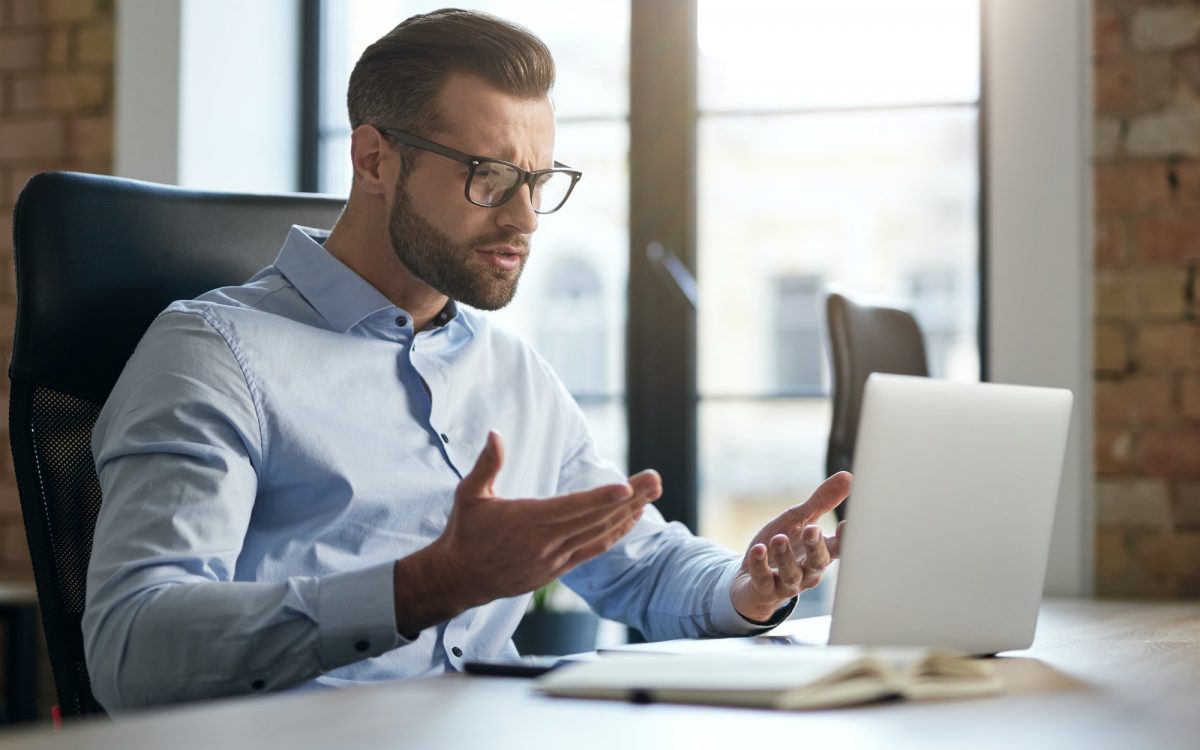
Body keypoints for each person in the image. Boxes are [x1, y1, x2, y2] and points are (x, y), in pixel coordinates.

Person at [83, 8, 849, 712]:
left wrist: (746, 584)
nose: (524, 219)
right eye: (488, 176)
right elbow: (132, 650)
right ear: (374, 159)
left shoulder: (514, 375)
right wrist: (422, 587)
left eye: (537, 182)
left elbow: (638, 565)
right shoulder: (213, 355)